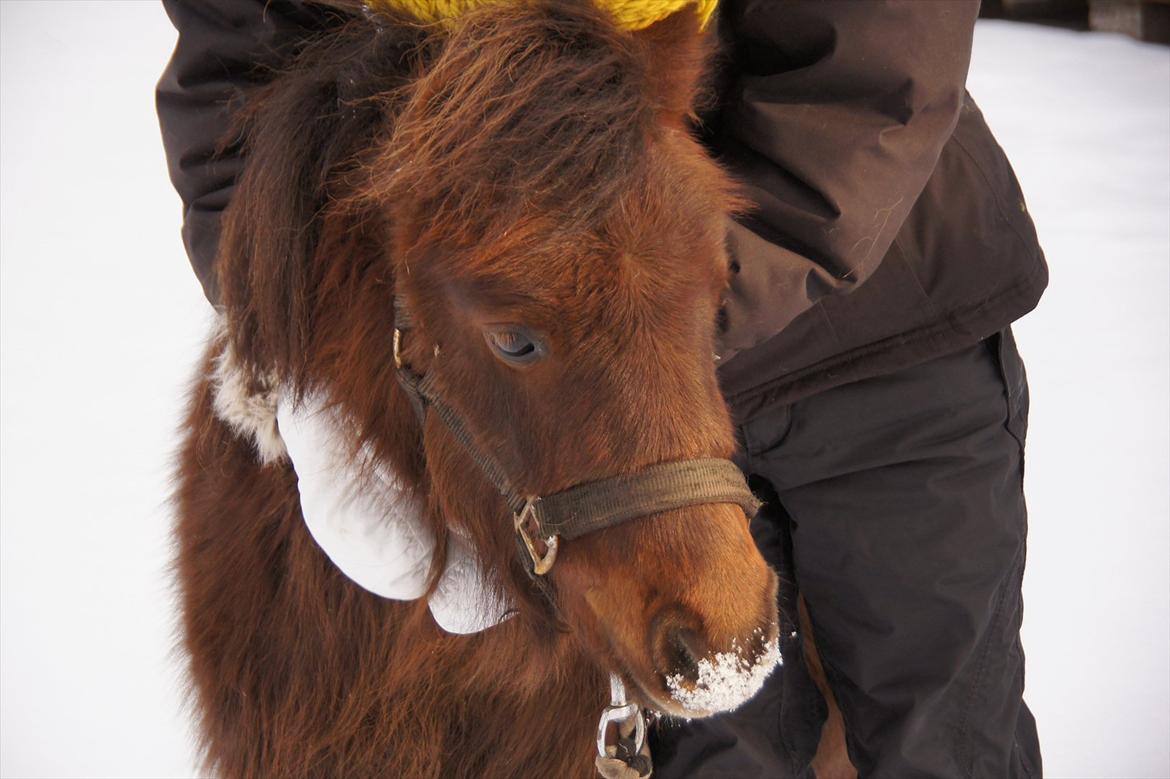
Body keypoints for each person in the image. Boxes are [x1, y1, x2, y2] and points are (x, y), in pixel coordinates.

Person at [158, 1, 1046, 776]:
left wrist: (650, 294)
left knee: (943, 740)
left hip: (872, 334)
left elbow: (879, 61)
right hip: (533, 330)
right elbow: (238, 53)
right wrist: (302, 326)